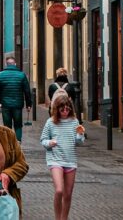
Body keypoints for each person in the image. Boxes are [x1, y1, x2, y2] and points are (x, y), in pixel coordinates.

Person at [41, 90, 85, 220]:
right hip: (55, 160)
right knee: (59, 190)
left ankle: (64, 218)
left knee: (68, 194)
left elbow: (79, 142)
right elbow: (43, 140)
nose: (65, 111)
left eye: (67, 109)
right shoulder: (50, 122)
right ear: (57, 109)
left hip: (70, 160)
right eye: (62, 109)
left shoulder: (74, 122)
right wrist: (50, 142)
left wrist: (80, 135)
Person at [0, 56, 32, 141]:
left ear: (6, 64)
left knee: (7, 125)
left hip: (5, 104)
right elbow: (27, 91)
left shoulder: (0, 75)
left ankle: (8, 142)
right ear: (15, 64)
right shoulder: (22, 75)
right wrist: (29, 104)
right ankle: (18, 141)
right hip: (18, 104)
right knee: (18, 124)